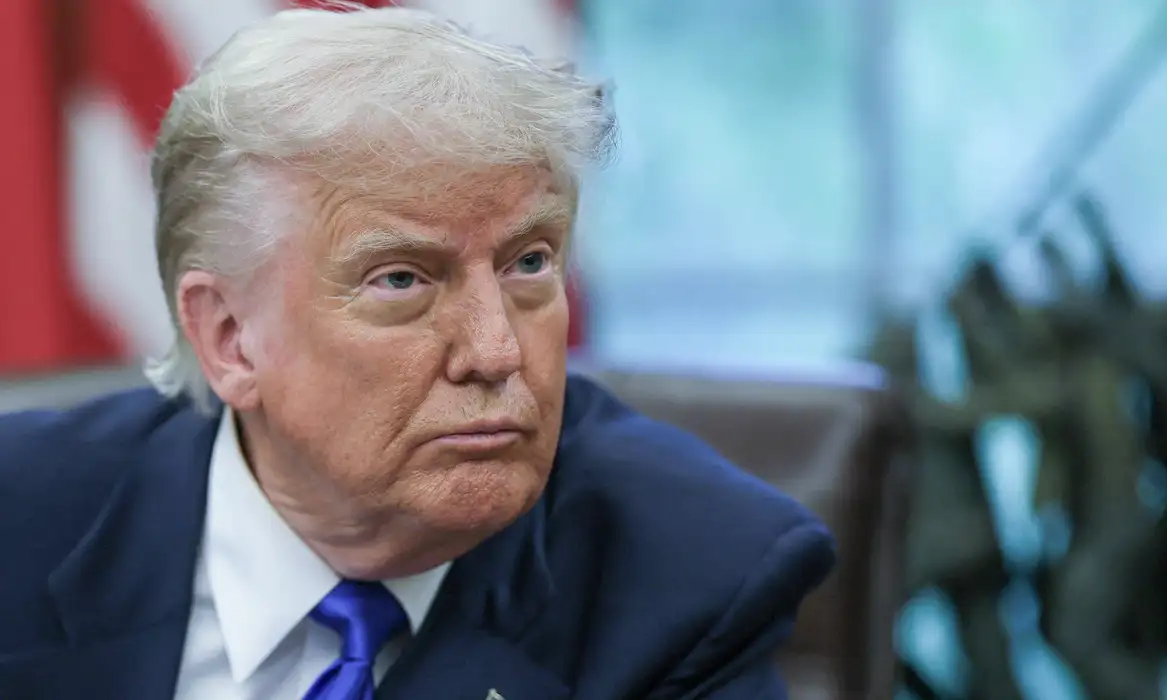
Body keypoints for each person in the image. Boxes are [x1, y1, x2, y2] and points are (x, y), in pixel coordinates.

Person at [0, 6, 835, 700]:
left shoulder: (687, 574)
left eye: (529, 264)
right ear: (229, 338)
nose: (496, 351)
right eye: (401, 280)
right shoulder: (21, 524)